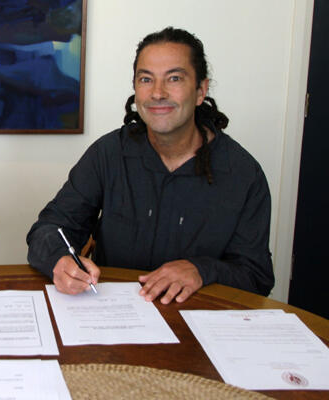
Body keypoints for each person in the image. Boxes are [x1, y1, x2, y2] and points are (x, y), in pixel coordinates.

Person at [27, 27, 274, 303]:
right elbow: (48, 229)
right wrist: (59, 260)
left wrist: (201, 270)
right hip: (114, 319)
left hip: (201, 325)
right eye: (146, 79)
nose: (157, 93)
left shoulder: (243, 173)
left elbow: (256, 276)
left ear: (201, 90)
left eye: (174, 78)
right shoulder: (109, 154)